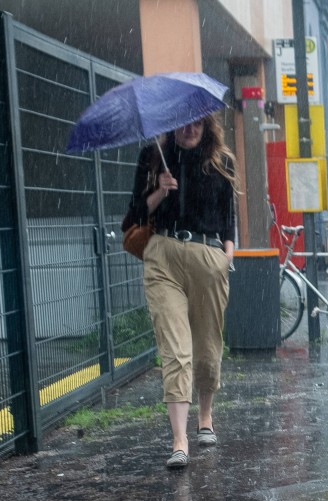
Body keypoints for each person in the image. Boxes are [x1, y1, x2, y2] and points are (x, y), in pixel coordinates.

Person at [124, 113, 236, 470]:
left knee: (206, 344)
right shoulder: (152, 156)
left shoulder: (221, 161)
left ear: (206, 128)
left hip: (208, 257)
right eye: (184, 123)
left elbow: (228, 219)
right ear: (172, 125)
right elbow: (133, 216)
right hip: (163, 255)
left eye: (197, 124)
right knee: (174, 347)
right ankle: (179, 440)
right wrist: (160, 189)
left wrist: (226, 257)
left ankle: (205, 418)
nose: (189, 130)